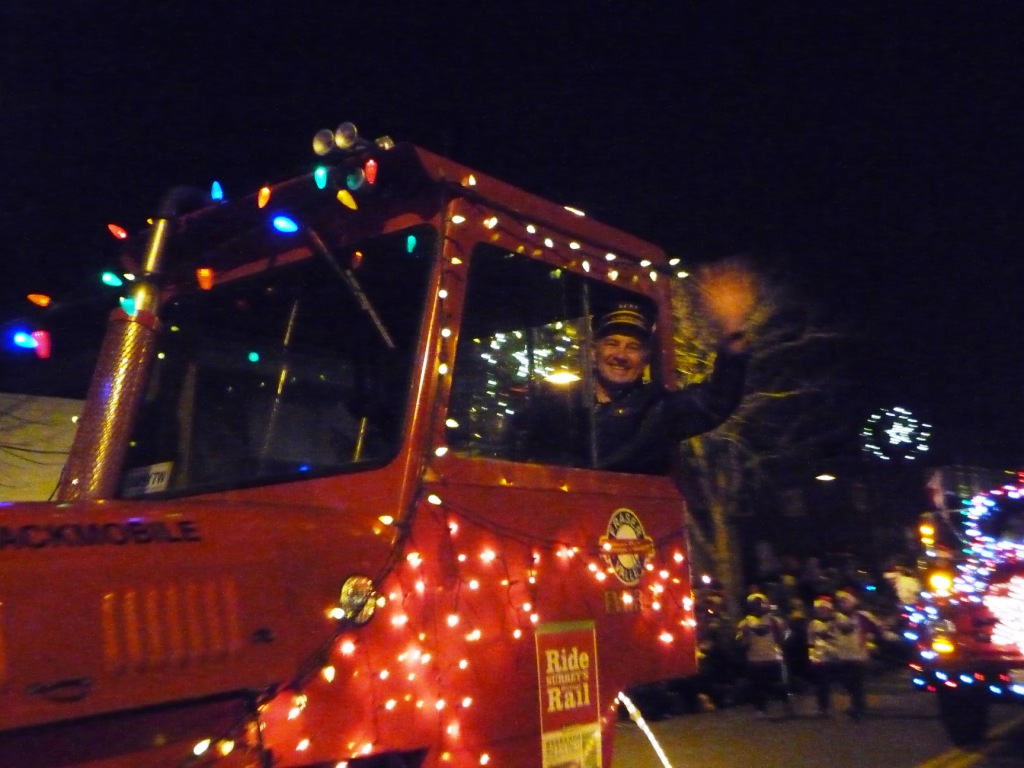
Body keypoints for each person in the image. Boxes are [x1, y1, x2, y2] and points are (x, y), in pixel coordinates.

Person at [512, 261, 757, 473]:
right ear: (593, 351)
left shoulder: (657, 410)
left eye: (633, 347)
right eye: (612, 343)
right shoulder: (555, 402)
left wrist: (732, 338)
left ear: (646, 358)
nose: (620, 355)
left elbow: (715, 401)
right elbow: (513, 453)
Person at [735, 592, 794, 719]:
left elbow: (787, 634)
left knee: (779, 684)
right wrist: (745, 635)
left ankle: (786, 705)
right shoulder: (745, 622)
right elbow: (740, 642)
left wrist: (780, 637)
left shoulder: (775, 620)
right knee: (758, 686)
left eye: (760, 603)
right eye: (754, 604)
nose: (758, 606)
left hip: (773, 658)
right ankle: (760, 709)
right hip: (755, 659)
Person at [831, 589, 887, 720]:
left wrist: (874, 639)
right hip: (842, 656)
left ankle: (858, 708)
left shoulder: (863, 616)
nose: (843, 604)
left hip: (858, 655)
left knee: (856, 682)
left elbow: (878, 628)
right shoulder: (835, 617)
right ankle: (857, 704)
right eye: (841, 602)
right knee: (846, 682)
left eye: (845, 601)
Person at [807, 596, 840, 717]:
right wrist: (811, 655)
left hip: (832, 656)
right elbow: (810, 640)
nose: (822, 611)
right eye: (820, 609)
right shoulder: (814, 623)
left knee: (827, 683)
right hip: (818, 657)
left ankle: (826, 706)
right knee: (821, 684)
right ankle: (822, 707)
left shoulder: (835, 622)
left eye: (824, 609)